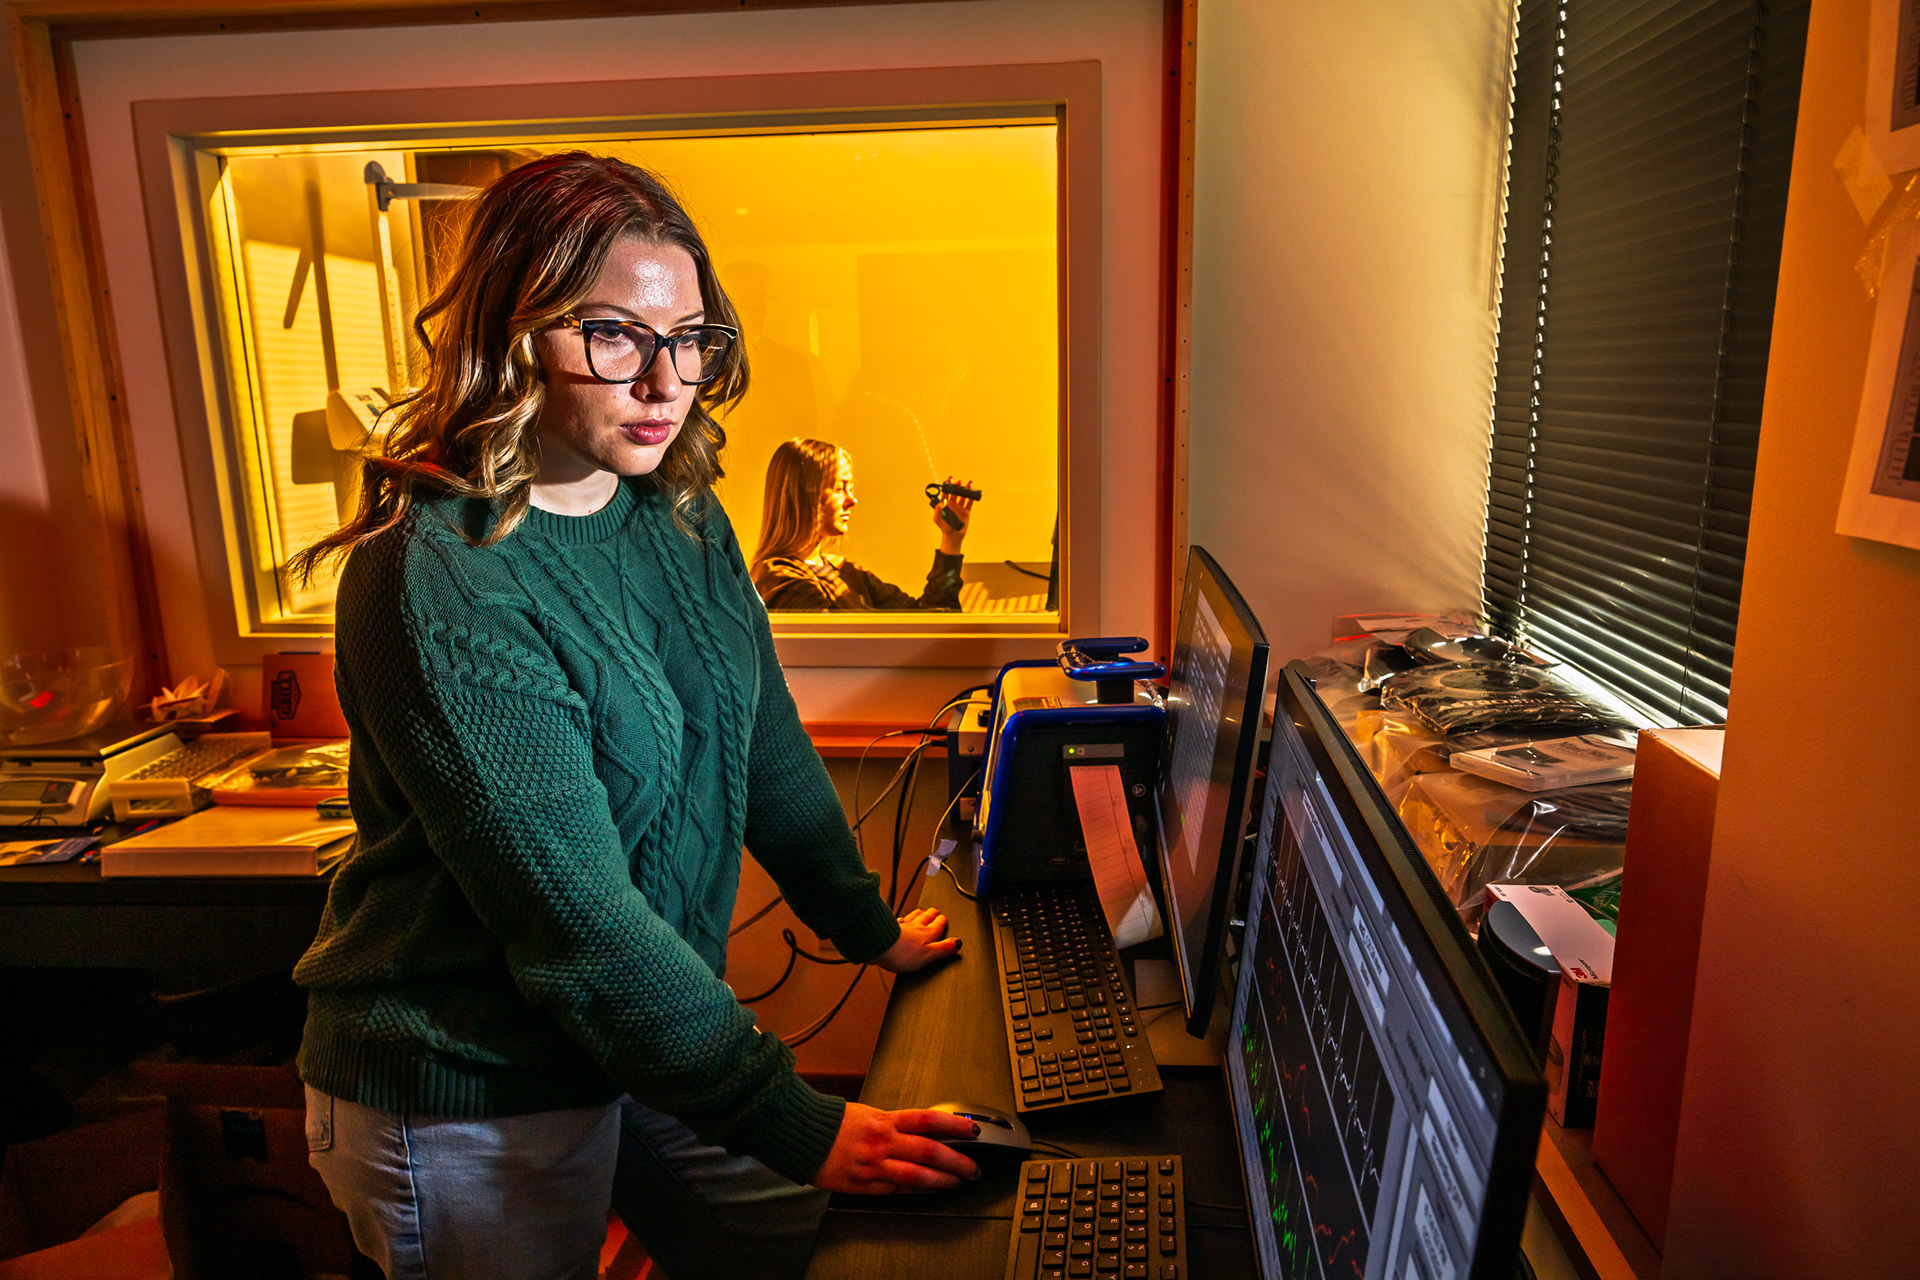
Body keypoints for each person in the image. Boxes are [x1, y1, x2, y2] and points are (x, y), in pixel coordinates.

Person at [287, 152, 978, 1280]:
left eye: (690, 340)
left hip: (639, 1037)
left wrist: (867, 928)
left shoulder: (681, 517)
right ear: (512, 335)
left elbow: (764, 746)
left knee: (860, 1246)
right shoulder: (440, 574)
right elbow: (577, 922)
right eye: (614, 335)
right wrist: (798, 1120)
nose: (665, 382)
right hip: (470, 1089)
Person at [750, 438, 974, 610]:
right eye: (840, 488)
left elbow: (929, 619)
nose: (852, 500)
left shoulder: (847, 573)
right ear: (804, 494)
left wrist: (951, 541)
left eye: (850, 488)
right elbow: (833, 649)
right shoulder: (780, 578)